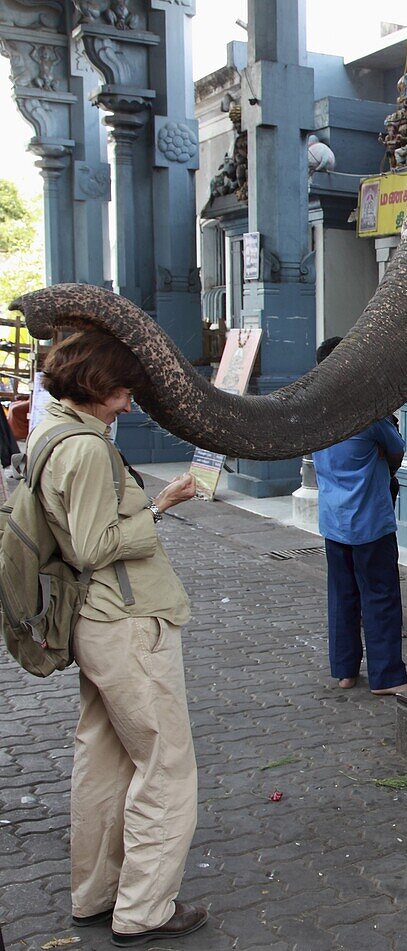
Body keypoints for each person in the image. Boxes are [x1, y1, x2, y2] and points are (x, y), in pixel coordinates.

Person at [31, 331, 206, 946]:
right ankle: (145, 908)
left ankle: (96, 893)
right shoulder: (84, 450)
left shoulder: (52, 432)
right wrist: (154, 514)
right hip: (128, 623)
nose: (129, 405)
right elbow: (94, 545)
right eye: (124, 391)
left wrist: (154, 502)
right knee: (165, 766)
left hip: (99, 622)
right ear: (98, 385)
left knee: (104, 760)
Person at [312, 337, 407, 694]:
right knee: (380, 596)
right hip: (370, 521)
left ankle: (345, 671)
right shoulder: (365, 413)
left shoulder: (314, 413)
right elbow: (397, 449)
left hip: (333, 520)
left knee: (342, 596)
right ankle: (387, 677)